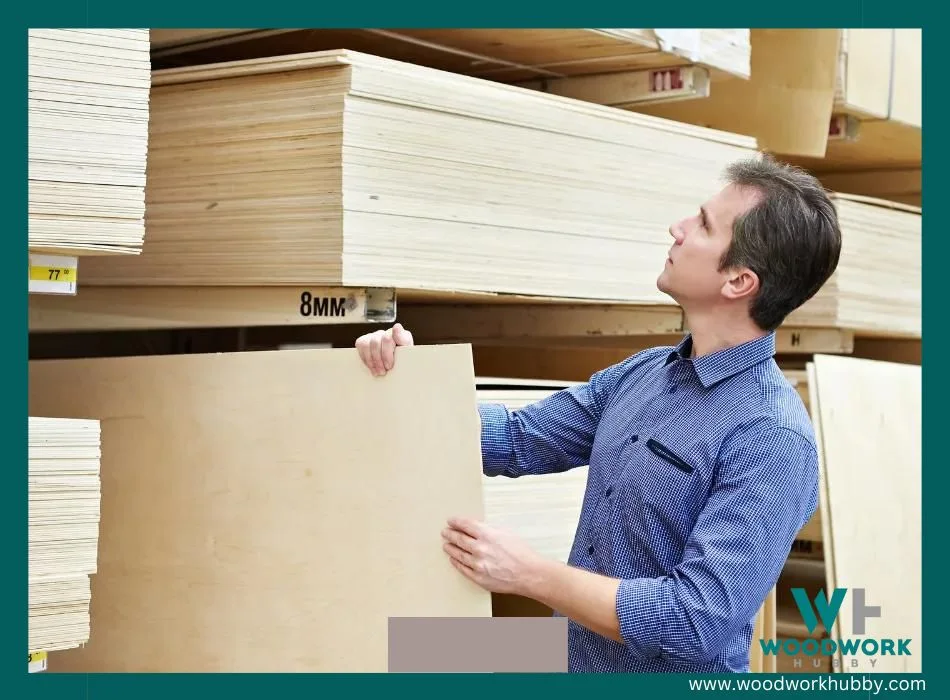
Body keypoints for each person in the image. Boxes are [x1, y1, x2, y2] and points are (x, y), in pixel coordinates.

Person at [355, 154, 842, 673]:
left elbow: (695, 621)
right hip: (569, 663)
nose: (676, 229)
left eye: (702, 224)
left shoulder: (772, 438)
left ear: (739, 282)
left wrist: (528, 575)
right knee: (384, 658)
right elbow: (520, 438)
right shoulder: (645, 374)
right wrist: (413, 381)